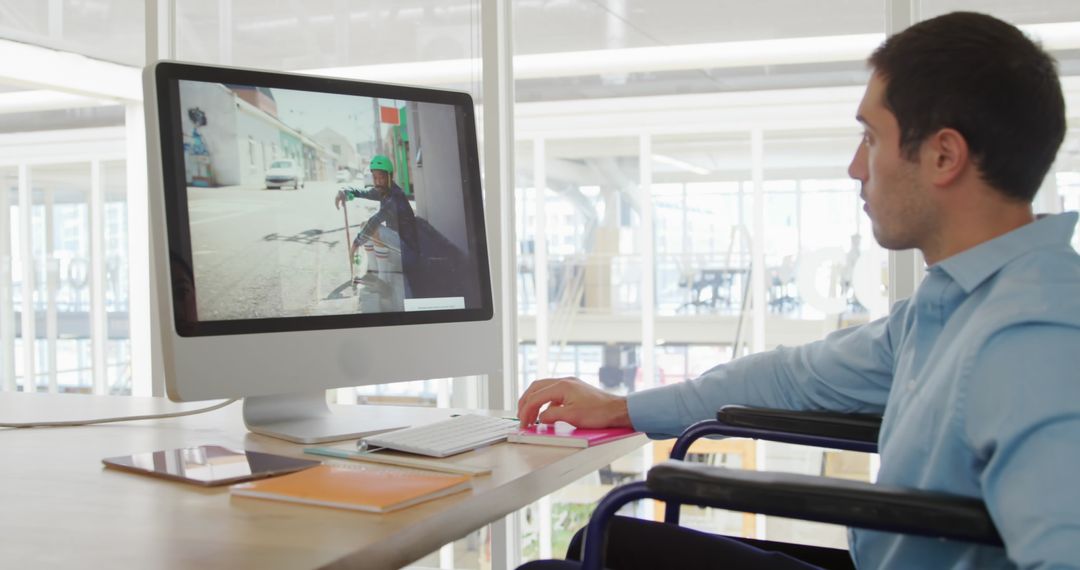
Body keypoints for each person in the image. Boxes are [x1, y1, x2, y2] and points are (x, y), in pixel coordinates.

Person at [517, 12, 1079, 569]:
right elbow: (792, 376)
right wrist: (621, 407)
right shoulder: (950, 309)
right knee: (601, 542)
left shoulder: (1033, 339)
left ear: (943, 156)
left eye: (870, 137)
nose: (855, 167)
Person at [335, 154, 421, 289]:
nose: (378, 181)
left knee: (372, 228)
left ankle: (383, 282)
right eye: (375, 177)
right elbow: (364, 192)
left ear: (389, 176)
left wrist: (355, 245)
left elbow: (375, 221)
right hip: (398, 249)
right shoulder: (384, 191)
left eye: (381, 177)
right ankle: (373, 274)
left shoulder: (395, 196)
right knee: (365, 225)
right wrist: (345, 191)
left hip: (408, 256)